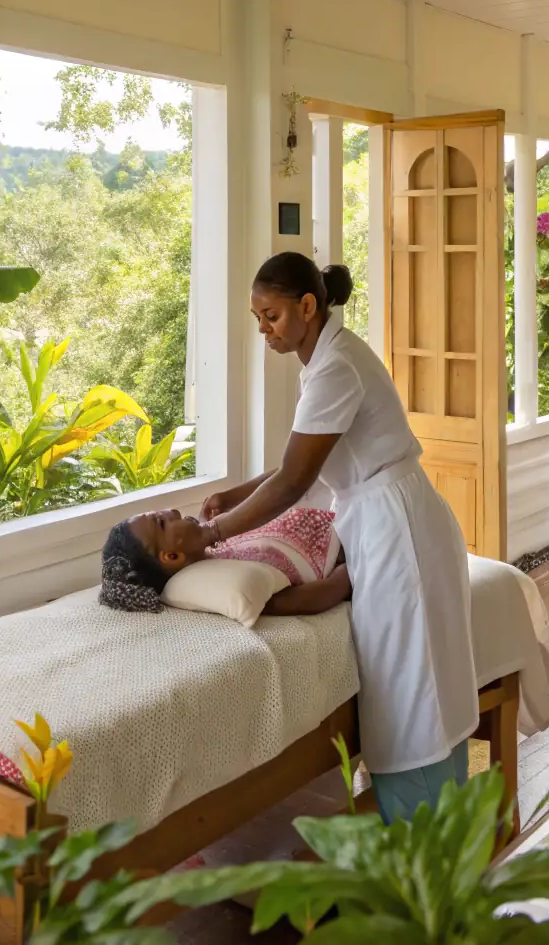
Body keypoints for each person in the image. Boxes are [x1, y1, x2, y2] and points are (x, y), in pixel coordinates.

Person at [204, 252, 478, 824]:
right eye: (257, 318)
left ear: (308, 306)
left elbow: (295, 480)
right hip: (393, 519)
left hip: (398, 529)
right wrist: (233, 497)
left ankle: (425, 851)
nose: (263, 330)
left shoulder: (335, 369)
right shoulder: (326, 360)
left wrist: (214, 533)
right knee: (421, 684)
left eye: (272, 316)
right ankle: (435, 847)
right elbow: (298, 463)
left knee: (412, 689)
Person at [98, 509, 353, 616]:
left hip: (349, 521)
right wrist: (351, 571)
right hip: (357, 551)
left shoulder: (207, 544)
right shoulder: (226, 582)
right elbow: (302, 600)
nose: (173, 512)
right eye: (162, 522)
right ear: (172, 557)